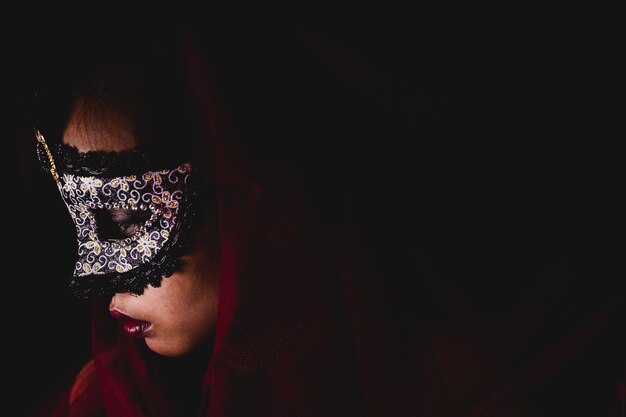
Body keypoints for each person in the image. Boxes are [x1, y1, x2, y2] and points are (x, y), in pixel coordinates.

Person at [19, 20, 419, 417]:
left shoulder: (438, 382)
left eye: (126, 221)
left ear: (270, 204)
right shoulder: (107, 398)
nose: (95, 276)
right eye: (82, 224)